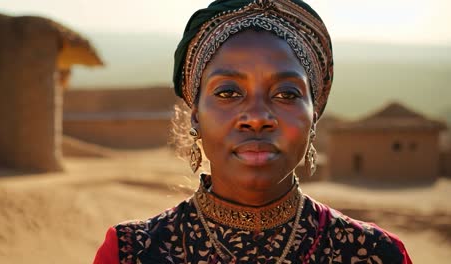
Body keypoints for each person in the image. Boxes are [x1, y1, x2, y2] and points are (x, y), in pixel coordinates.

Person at [93, 0, 412, 263]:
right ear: (195, 118)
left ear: (314, 117)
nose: (257, 118)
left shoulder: (373, 254)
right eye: (228, 92)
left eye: (286, 94)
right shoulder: (130, 253)